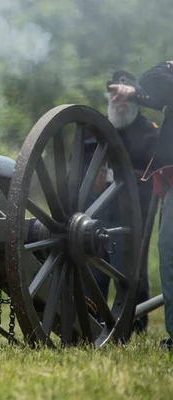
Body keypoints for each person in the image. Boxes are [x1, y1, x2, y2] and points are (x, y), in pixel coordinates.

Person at [86, 70, 159, 334]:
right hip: (96, 212)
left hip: (132, 213)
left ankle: (134, 325)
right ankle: (93, 324)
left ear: (135, 98)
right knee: (94, 272)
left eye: (124, 94)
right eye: (114, 93)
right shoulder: (90, 130)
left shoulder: (150, 133)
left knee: (130, 271)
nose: (119, 100)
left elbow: (154, 176)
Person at [109, 60, 173, 351]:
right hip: (114, 202)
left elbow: (152, 80)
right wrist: (134, 91)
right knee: (168, 253)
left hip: (141, 198)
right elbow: (154, 80)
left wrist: (135, 91)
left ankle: (149, 325)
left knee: (155, 256)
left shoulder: (148, 128)